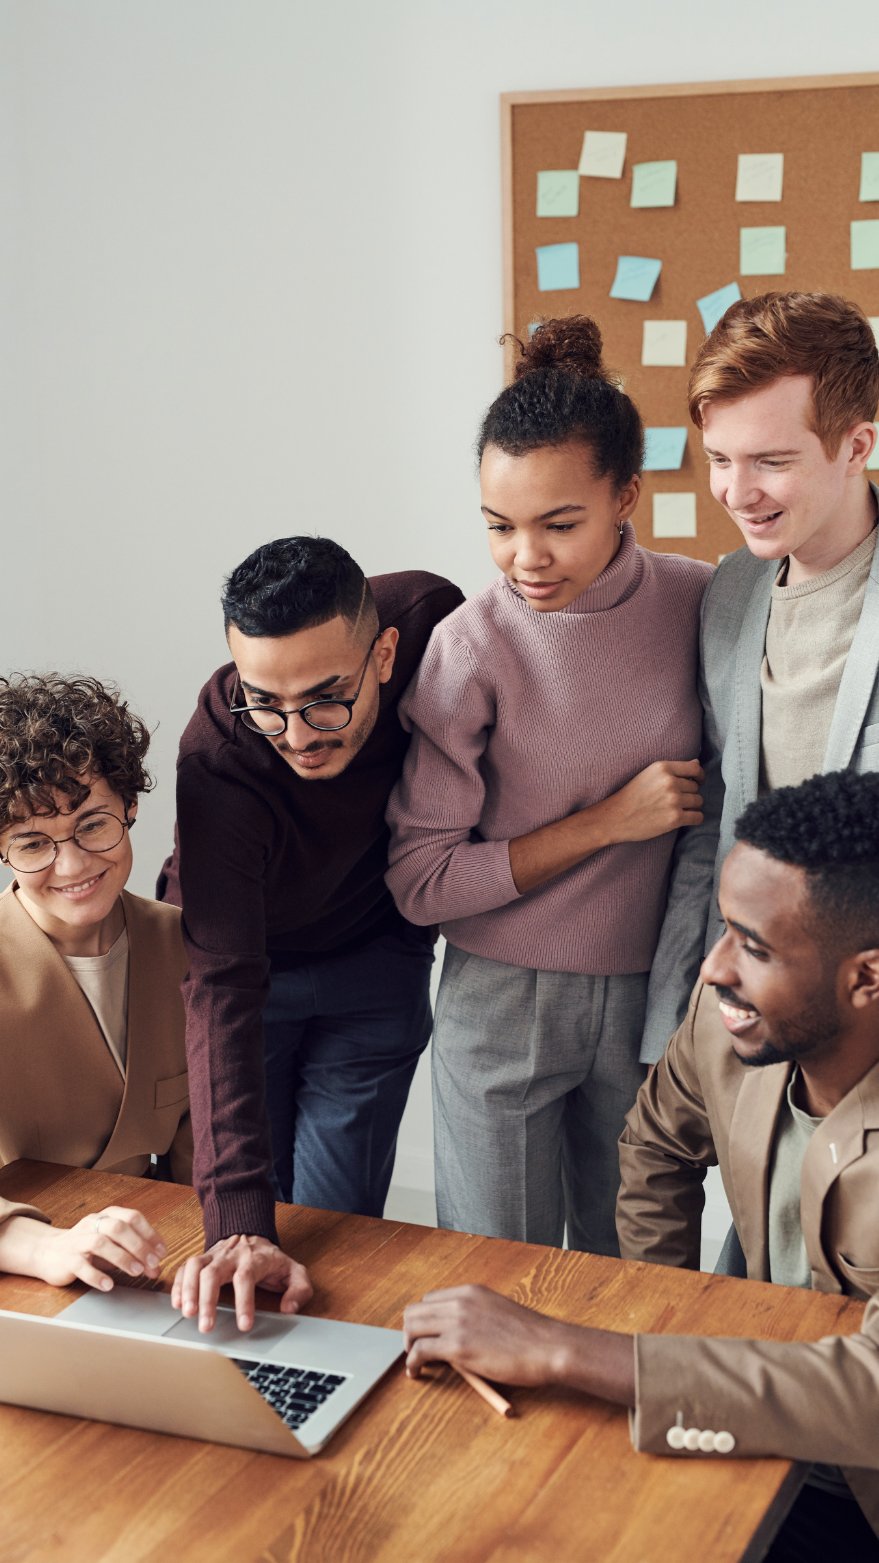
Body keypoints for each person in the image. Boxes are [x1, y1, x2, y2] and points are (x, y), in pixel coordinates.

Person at [403, 769, 879, 1561]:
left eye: (753, 946)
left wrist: (574, 1350)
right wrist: (664, 1341)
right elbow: (656, 1146)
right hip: (744, 1437)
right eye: (724, 927)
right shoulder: (728, 1017)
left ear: (866, 975)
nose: (712, 967)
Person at [385, 316, 712, 1255]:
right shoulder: (472, 643)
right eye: (498, 525)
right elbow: (421, 880)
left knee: (636, 1274)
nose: (524, 556)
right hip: (499, 995)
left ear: (627, 498)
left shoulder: (700, 600)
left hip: (651, 990)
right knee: (498, 1278)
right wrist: (608, 823)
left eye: (558, 523)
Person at [159, 536, 462, 1333]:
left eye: (327, 698)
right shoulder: (219, 757)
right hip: (240, 970)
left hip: (372, 959)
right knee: (249, 1236)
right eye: (265, 700)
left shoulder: (434, 621)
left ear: (386, 652)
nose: (295, 733)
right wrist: (236, 1224)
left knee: (336, 1238)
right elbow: (221, 982)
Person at [642, 291, 879, 1066]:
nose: (736, 492)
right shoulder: (730, 594)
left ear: (855, 445)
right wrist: (675, 1029)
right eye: (719, 458)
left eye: (770, 461)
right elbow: (716, 824)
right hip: (756, 1018)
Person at [0, 674, 190, 1294]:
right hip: (22, 1270)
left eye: (93, 824)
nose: (75, 865)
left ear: (131, 805)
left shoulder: (184, 946)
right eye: (33, 843)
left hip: (156, 1261)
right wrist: (45, 1246)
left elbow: (201, 1154)